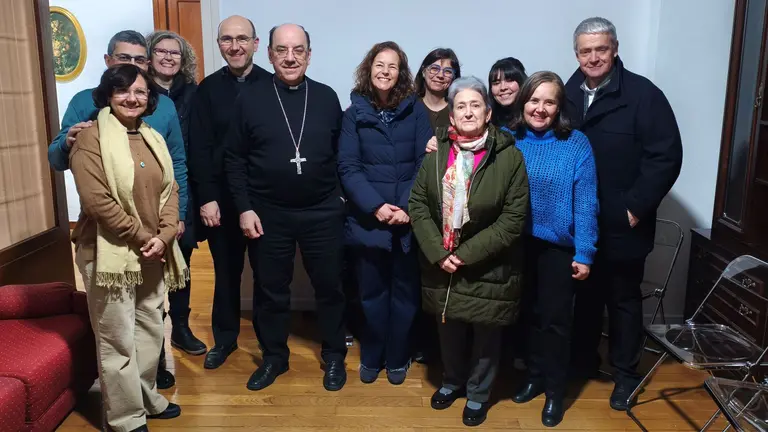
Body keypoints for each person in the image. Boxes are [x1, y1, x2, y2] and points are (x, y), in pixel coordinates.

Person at [47, 29, 187, 390]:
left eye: (140, 61)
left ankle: (149, 384)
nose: (133, 71)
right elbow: (59, 158)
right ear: (109, 62)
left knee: (151, 317)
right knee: (118, 329)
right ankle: (126, 410)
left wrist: (173, 222)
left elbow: (176, 170)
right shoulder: (85, 106)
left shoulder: (163, 107)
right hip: (111, 237)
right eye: (125, 59)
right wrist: (69, 140)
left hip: (157, 233)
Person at [565, 17, 683, 411]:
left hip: (623, 222)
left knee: (623, 302)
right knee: (584, 298)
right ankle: (583, 363)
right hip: (580, 223)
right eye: (586, 50)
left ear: (615, 49)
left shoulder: (644, 95)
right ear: (576, 53)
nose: (594, 57)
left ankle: (627, 376)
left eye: (601, 49)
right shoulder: (567, 91)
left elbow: (665, 157)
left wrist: (635, 206)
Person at [225, 23, 348, 392]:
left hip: (323, 211)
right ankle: (274, 357)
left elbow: (343, 155)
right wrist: (244, 208)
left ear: (309, 54)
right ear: (270, 54)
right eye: (282, 50)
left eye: (298, 50)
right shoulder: (250, 98)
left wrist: (341, 199)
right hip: (268, 213)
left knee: (330, 287)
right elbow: (233, 158)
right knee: (271, 289)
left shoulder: (326, 97)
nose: (290, 57)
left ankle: (334, 355)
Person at [69, 64, 188, 432]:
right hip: (109, 252)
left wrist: (165, 235)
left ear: (150, 98)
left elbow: (170, 190)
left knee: (151, 330)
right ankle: (124, 416)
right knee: (116, 337)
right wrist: (142, 237)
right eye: (123, 91)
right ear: (108, 95)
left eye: (140, 92)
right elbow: (97, 202)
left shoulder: (152, 135)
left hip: (153, 250)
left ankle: (147, 397)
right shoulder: (90, 139)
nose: (132, 98)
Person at [409, 76, 529, 427]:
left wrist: (464, 255)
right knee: (449, 328)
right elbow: (417, 204)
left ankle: (478, 394)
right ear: (451, 115)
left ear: (488, 113)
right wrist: (438, 251)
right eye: (460, 106)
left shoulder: (510, 157)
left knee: (486, 335)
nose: (468, 111)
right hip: (441, 262)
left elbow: (512, 219)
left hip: (488, 266)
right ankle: (452, 381)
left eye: (475, 105)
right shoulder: (435, 154)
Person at [505, 71, 598, 427]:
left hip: (559, 248)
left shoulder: (576, 144)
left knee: (555, 322)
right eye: (533, 100)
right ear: (523, 102)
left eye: (549, 102)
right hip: (516, 244)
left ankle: (555, 392)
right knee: (526, 314)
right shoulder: (507, 139)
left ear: (559, 107)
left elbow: (587, 202)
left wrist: (585, 252)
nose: (539, 108)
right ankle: (534, 375)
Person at [338, 41, 432, 385]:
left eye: (393, 66)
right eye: (380, 64)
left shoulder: (416, 110)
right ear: (369, 68)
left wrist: (406, 207)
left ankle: (398, 356)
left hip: (408, 222)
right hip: (368, 221)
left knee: (406, 295)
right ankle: (373, 354)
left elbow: (427, 162)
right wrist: (377, 207)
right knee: (371, 295)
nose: (385, 71)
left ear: (402, 73)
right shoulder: (353, 114)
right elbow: (348, 167)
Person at [188, 15, 271, 370]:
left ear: (255, 44)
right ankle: (225, 340)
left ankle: (271, 343)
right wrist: (206, 196)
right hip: (221, 199)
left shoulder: (274, 85)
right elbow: (199, 147)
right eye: (226, 40)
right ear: (219, 44)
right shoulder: (207, 89)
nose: (234, 46)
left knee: (268, 275)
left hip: (265, 199)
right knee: (226, 274)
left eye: (242, 39)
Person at [146, 30, 207, 358]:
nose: (168, 57)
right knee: (149, 263)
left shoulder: (195, 93)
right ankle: (151, 333)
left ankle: (180, 328)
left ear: (184, 60)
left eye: (175, 53)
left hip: (186, 188)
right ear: (150, 55)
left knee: (181, 260)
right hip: (148, 189)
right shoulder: (137, 91)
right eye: (161, 51)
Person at [414, 48, 461, 131]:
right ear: (423, 72)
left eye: (447, 71)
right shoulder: (410, 107)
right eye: (434, 69)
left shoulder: (458, 110)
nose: (440, 75)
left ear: (454, 77)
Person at [489, 57, 526, 127]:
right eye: (496, 83)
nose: (503, 88)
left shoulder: (535, 119)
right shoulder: (487, 125)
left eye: (509, 80)